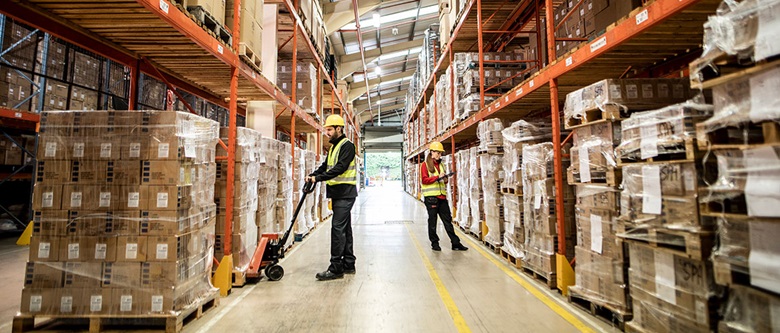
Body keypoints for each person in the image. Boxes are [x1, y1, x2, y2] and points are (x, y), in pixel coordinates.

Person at [307, 114, 358, 281]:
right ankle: (349, 263)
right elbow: (325, 166)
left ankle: (336, 267)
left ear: (339, 129)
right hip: (337, 194)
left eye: (329, 129)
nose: (327, 133)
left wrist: (319, 179)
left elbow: (340, 168)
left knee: (337, 228)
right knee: (345, 229)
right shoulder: (334, 147)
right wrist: (313, 174)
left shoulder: (347, 146)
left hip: (345, 193)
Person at [420, 142, 468, 252]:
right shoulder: (425, 165)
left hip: (441, 197)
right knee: (433, 222)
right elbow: (424, 180)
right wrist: (437, 177)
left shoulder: (441, 164)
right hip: (431, 198)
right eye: (437, 152)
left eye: (440, 153)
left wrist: (445, 178)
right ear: (431, 152)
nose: (439, 155)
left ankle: (455, 243)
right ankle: (435, 243)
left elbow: (441, 180)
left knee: (448, 221)